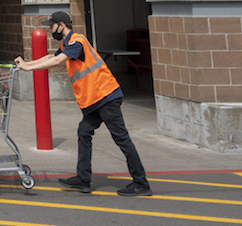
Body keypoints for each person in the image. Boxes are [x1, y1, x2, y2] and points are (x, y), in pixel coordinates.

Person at [13, 11, 151, 197]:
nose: (50, 30)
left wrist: (28, 68)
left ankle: (141, 183)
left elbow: (57, 61)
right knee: (84, 132)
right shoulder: (68, 43)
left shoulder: (77, 41)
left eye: (52, 26)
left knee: (121, 138)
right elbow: (50, 57)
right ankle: (83, 179)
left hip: (106, 97)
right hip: (95, 100)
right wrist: (26, 63)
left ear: (62, 25)